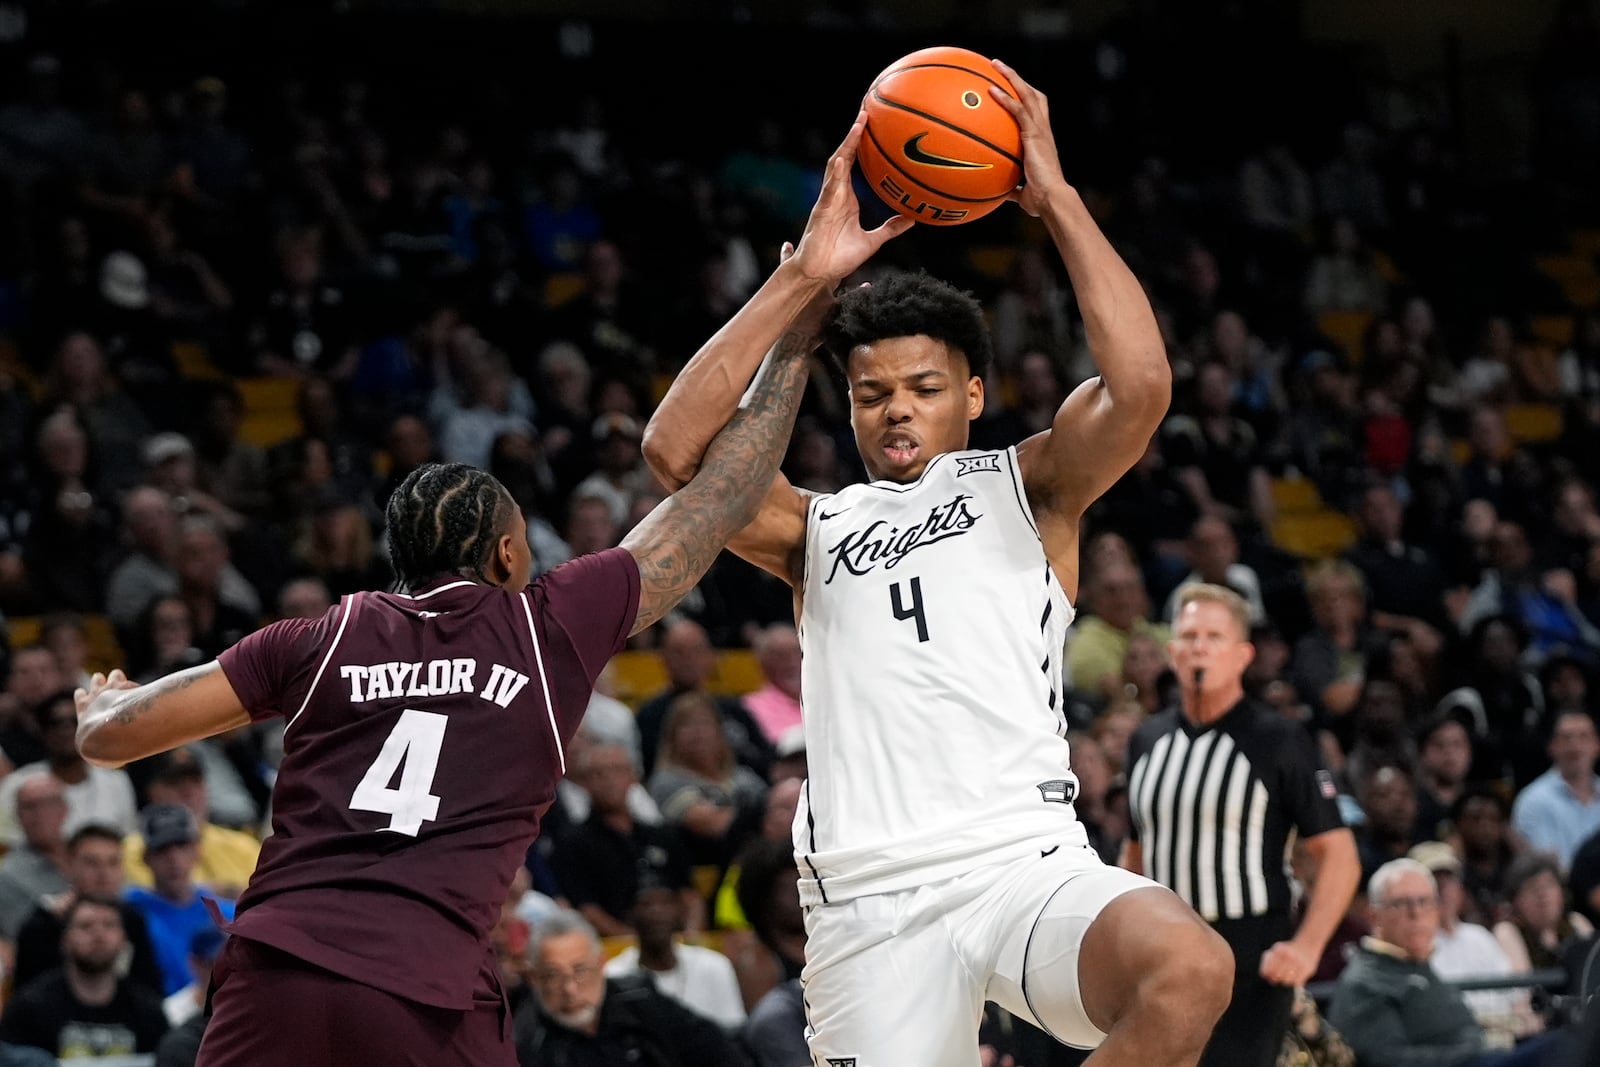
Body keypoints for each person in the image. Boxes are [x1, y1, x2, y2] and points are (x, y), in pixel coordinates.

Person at [643, 83, 1232, 1067]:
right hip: (867, 897)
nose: (894, 410)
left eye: (921, 387)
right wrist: (801, 284)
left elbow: (1139, 386)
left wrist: (1057, 202)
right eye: (869, 393)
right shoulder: (813, 527)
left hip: (1022, 861)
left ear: (972, 392)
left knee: (1189, 968)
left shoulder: (1031, 485)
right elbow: (676, 452)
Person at [71, 330, 813, 1067]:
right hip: (423, 989)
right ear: (507, 554)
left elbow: (109, 737)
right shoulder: (544, 623)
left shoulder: (320, 636)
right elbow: (721, 496)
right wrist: (797, 337)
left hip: (277, 973)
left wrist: (103, 700)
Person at [1122, 583, 1360, 1067]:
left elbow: (1339, 855)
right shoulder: (1147, 739)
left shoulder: (1278, 738)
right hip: (1163, 949)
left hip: (1248, 955)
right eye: (1189, 635)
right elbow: (1134, 853)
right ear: (1171, 651)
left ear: (1242, 655)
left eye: (1214, 636)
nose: (1199, 646)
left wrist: (1306, 947)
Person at [1328, 858, 1561, 1067]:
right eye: (1401, 903)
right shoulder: (1365, 982)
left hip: (1486, 1055)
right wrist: (1473, 1054)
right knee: (1567, 1044)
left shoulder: (1414, 963)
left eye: (1424, 902)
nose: (1416, 914)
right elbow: (1388, 1060)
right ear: (1373, 916)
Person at [513, 910, 748, 1067]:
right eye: (553, 976)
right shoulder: (526, 1043)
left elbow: (717, 1050)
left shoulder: (638, 997)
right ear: (534, 978)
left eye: (581, 970)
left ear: (601, 963)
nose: (570, 989)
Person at [0, 895, 170, 1060]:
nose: (98, 934)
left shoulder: (148, 1011)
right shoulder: (29, 1009)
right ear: (65, 939)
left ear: (124, 938)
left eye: (109, 925)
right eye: (85, 926)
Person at [602, 880, 746, 1031]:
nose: (657, 911)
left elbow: (734, 1030)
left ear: (681, 911)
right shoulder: (614, 975)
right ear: (630, 915)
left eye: (666, 903)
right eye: (646, 904)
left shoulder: (714, 965)